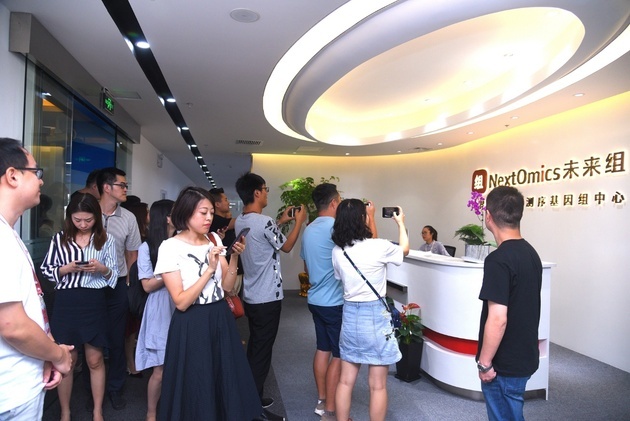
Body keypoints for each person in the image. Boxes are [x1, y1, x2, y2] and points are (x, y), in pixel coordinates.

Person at [154, 187, 261, 420]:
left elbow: (227, 287)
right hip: (192, 322)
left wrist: (234, 257)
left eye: (211, 212)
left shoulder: (213, 239)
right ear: (186, 212)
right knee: (197, 381)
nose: (209, 218)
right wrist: (209, 269)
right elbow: (181, 302)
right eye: (203, 213)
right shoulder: (170, 247)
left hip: (220, 316)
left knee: (224, 377)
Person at [0, 137, 73, 419]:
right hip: (11, 392)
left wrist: (46, 352)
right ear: (13, 176)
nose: (41, 181)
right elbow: (12, 326)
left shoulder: (9, 234)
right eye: (36, 172)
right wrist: (59, 355)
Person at [40, 193, 119, 421]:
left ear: (96, 217)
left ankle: (97, 411)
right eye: (77, 220)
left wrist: (102, 269)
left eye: (88, 220)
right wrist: (66, 269)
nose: (83, 225)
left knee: (95, 360)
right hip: (67, 301)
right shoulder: (60, 239)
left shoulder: (106, 240)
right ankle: (65, 412)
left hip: (94, 301)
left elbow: (114, 276)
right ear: (70, 218)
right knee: (68, 360)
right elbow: (46, 270)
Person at [235, 172, 306, 417]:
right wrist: (298, 222)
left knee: (257, 346)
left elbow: (263, 237)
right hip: (267, 298)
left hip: (252, 295)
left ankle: (253, 394)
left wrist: (281, 221)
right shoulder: (263, 221)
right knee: (261, 352)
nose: (267, 193)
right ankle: (253, 407)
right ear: (256, 192)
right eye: (265, 189)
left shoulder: (241, 219)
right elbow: (286, 246)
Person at [331, 200, 409, 421]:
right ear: (362, 219)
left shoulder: (337, 252)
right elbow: (404, 250)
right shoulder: (379, 246)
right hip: (375, 316)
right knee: (377, 385)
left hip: (350, 315)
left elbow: (339, 278)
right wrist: (400, 223)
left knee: (345, 381)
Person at [476, 186, 542, 421]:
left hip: (503, 365)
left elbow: (498, 319)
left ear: (488, 216)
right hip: (524, 356)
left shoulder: (498, 260)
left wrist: (485, 364)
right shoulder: (531, 253)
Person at [94, 167, 142, 410]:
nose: (125, 189)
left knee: (116, 339)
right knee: (92, 341)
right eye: (122, 185)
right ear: (107, 187)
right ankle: (92, 393)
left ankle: (115, 389)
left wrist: (129, 284)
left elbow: (132, 253)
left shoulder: (128, 218)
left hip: (117, 285)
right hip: (90, 286)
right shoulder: (88, 212)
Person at [299, 183, 344, 420]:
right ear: (334, 202)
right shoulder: (337, 228)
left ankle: (321, 399)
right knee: (339, 354)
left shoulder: (309, 229)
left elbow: (306, 267)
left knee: (322, 348)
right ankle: (330, 408)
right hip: (335, 302)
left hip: (315, 299)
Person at [135, 199, 176, 421]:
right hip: (160, 306)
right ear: (167, 218)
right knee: (159, 369)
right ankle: (151, 413)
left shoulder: (182, 242)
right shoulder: (146, 248)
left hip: (182, 303)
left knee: (180, 364)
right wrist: (170, 273)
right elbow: (147, 285)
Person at [120, 199, 149, 377]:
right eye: (146, 212)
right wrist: (129, 283)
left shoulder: (145, 235)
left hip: (138, 284)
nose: (149, 215)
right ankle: (130, 363)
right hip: (131, 283)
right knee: (129, 329)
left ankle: (134, 361)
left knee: (134, 327)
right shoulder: (133, 238)